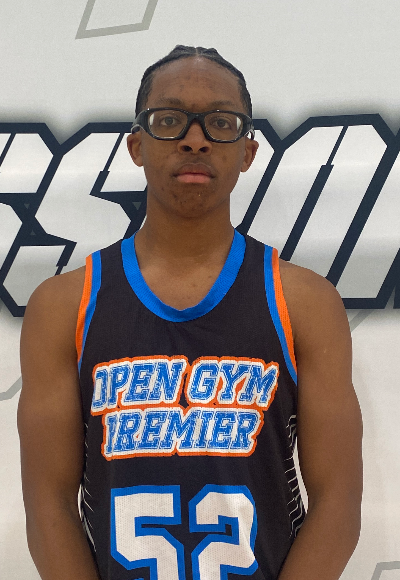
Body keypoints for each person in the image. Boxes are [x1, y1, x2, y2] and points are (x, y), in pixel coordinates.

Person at [18, 45, 363, 580]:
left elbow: (338, 501)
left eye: (221, 122)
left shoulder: (304, 302)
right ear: (137, 145)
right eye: (170, 119)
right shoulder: (65, 305)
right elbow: (48, 502)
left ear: (248, 152)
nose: (195, 139)